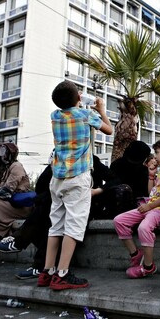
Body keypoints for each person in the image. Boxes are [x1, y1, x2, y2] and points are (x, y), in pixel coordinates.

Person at [38, 80, 113, 291]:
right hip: (78, 177)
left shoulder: (55, 116)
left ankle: (47, 271)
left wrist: (78, 102)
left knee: (56, 224)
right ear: (78, 98)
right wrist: (101, 110)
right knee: (74, 225)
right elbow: (108, 130)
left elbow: (69, 110)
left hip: (57, 178)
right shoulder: (84, 116)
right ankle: (62, 274)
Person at [0, 155, 111, 280]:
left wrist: (97, 191)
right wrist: (51, 166)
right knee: (47, 211)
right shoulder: (60, 161)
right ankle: (37, 261)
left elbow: (115, 179)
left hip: (85, 204)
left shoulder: (91, 161)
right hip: (62, 203)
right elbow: (40, 187)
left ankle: (39, 263)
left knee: (55, 223)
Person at [113, 137, 160, 279]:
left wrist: (149, 206)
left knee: (144, 228)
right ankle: (136, 254)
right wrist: (151, 176)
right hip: (150, 206)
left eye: (157, 152)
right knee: (119, 220)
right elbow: (151, 193)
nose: (154, 156)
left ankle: (148, 266)